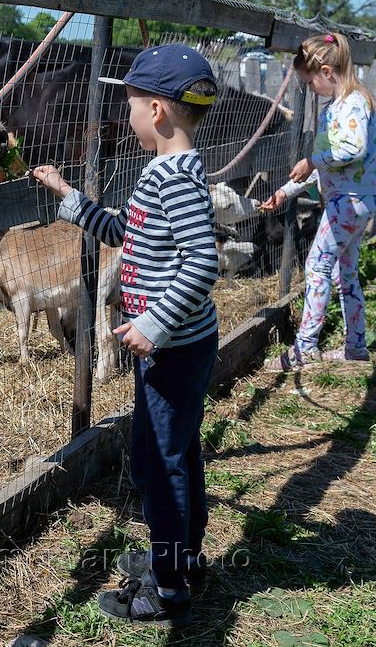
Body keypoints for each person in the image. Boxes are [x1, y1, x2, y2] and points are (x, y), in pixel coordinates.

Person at [31, 44, 220, 626]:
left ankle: (166, 591)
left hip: (171, 347)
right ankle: (184, 557)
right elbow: (124, 232)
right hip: (180, 343)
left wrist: (153, 325)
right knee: (178, 451)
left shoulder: (173, 179)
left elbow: (202, 262)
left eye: (131, 104)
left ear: (156, 111)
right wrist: (69, 198)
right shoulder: (173, 171)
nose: (127, 114)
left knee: (156, 463)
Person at [262, 33, 376, 371]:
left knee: (316, 267)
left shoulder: (354, 103)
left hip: (348, 202)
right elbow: (325, 163)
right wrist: (286, 191)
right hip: (350, 203)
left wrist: (312, 161)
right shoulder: (332, 110)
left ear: (326, 71)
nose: (310, 88)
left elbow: (352, 149)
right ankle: (356, 346)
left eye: (310, 81)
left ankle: (305, 348)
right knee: (344, 273)